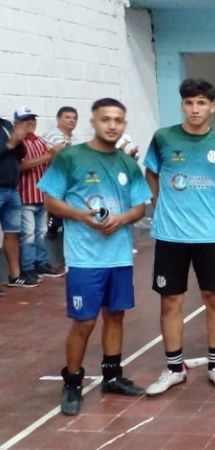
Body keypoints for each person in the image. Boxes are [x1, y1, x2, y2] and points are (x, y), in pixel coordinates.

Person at [38, 97, 152, 415]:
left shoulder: (128, 164)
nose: (112, 125)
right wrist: (80, 215)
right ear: (94, 122)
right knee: (84, 322)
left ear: (124, 125)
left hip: (118, 257)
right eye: (106, 119)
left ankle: (112, 375)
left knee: (115, 316)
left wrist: (123, 218)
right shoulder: (71, 158)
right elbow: (49, 201)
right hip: (86, 259)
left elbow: (141, 205)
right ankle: (72, 382)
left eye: (118, 120)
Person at [143, 78, 215, 396]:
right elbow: (151, 172)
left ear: (211, 106)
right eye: (188, 102)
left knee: (214, 299)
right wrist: (161, 203)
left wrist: (209, 191)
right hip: (170, 235)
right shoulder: (163, 138)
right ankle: (173, 368)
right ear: (182, 105)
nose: (194, 108)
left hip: (209, 234)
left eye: (200, 103)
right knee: (170, 301)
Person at [16, 107, 64, 280]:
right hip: (25, 196)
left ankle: (42, 264)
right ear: (17, 123)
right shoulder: (18, 143)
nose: (30, 122)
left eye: (33, 119)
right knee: (28, 234)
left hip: (41, 196)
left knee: (40, 233)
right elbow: (21, 166)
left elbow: (48, 165)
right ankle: (28, 267)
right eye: (26, 119)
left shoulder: (40, 141)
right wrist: (48, 156)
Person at [0, 112, 36, 289]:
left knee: (12, 233)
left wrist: (22, 138)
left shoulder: (6, 124)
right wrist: (10, 143)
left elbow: (19, 154)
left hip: (11, 189)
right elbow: (8, 147)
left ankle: (15, 276)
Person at [43, 106, 78, 270]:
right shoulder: (50, 136)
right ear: (58, 119)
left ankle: (70, 259)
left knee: (73, 222)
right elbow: (46, 159)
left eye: (74, 118)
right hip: (57, 185)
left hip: (73, 186)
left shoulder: (76, 139)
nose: (71, 120)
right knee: (56, 224)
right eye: (67, 117)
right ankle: (52, 260)